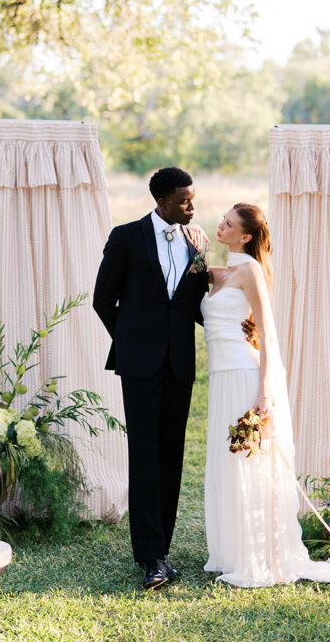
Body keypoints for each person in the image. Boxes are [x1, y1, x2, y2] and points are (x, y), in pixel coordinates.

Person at [202, 202, 330, 588]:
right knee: (226, 463)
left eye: (229, 224)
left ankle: (259, 553)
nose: (220, 225)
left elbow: (267, 333)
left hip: (244, 374)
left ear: (244, 236)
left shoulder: (251, 270)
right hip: (221, 378)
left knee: (248, 460)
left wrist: (264, 392)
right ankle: (230, 550)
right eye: (222, 220)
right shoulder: (219, 273)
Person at [93, 166, 209, 590]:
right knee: (144, 456)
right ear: (161, 201)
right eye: (183, 200)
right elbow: (103, 299)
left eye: (192, 198)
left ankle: (165, 547)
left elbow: (194, 305)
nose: (191, 206)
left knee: (171, 456)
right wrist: (132, 340)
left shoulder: (196, 244)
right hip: (140, 365)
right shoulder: (126, 237)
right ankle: (150, 556)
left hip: (180, 364)